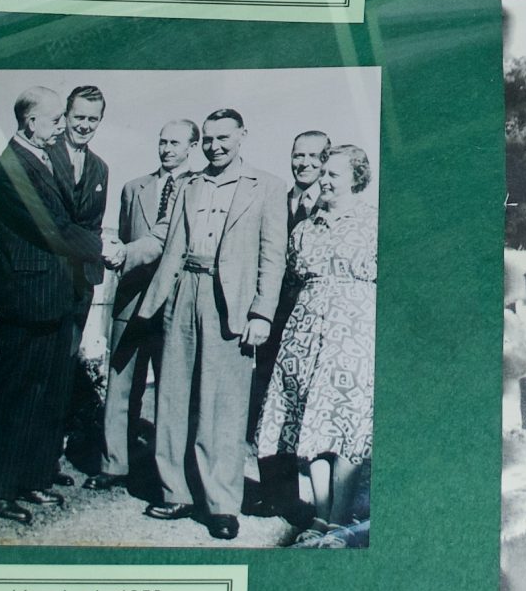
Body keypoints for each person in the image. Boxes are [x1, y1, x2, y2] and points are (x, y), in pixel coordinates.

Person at [142, 109, 286, 541]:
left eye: (223, 137)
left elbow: (272, 256)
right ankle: (175, 492)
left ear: (243, 136)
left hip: (232, 304)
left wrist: (261, 313)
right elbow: (169, 242)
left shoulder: (267, 186)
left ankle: (221, 503)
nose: (214, 146)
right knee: (171, 396)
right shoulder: (189, 184)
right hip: (183, 291)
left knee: (223, 407)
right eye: (207, 138)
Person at [0, 87, 100, 524]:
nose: (63, 126)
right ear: (30, 122)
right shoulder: (12, 165)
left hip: (54, 293)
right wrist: (105, 251)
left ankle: (30, 478)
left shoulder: (43, 157)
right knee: (14, 392)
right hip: (27, 296)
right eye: (56, 119)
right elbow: (52, 226)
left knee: (44, 392)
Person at [255, 142, 376, 529]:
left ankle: (339, 522)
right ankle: (321, 519)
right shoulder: (304, 230)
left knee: (347, 426)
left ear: (356, 179)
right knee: (313, 426)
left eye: (333, 174)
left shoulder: (375, 224)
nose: (323, 180)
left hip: (354, 336)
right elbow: (293, 278)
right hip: (304, 338)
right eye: (322, 173)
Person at [98, 117, 200, 490]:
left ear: (192, 147)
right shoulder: (133, 188)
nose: (167, 149)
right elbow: (128, 243)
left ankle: (169, 470)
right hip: (132, 299)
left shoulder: (200, 187)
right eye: (162, 142)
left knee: (174, 390)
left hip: (175, 302)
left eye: (175, 143)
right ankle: (113, 464)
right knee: (121, 382)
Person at [56, 84, 112, 482]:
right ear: (65, 116)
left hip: (79, 284)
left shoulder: (100, 168)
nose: (85, 125)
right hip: (42, 280)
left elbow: (91, 224)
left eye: (93, 119)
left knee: (64, 370)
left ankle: (49, 458)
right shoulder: (45, 156)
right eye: (79, 117)